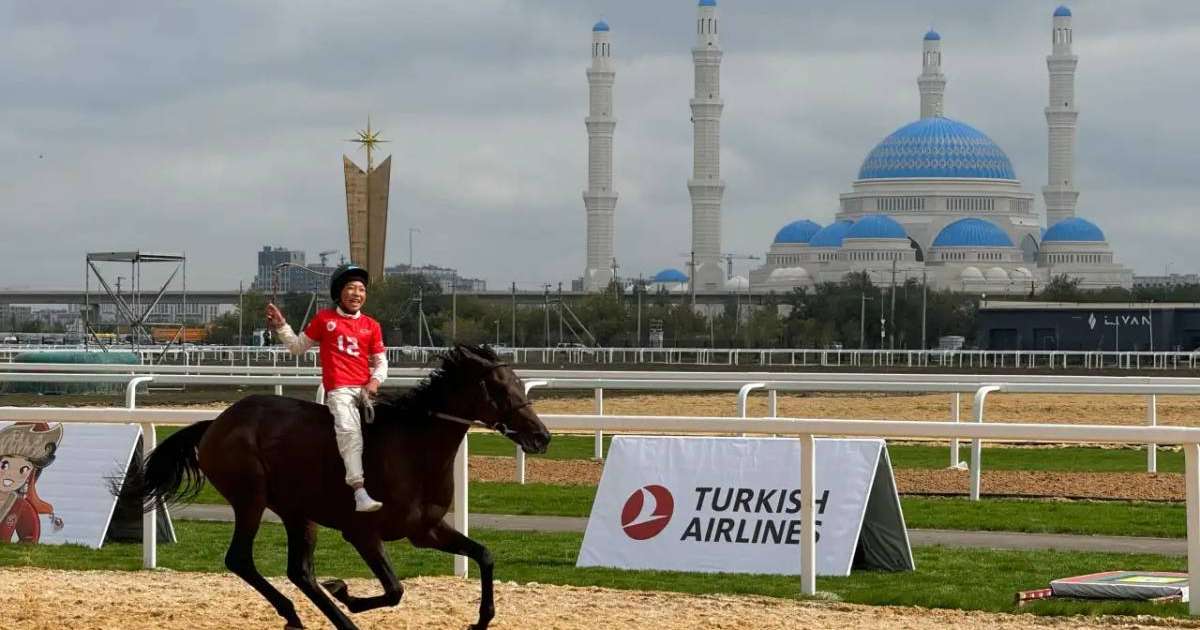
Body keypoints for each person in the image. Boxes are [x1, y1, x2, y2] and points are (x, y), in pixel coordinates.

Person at [265, 265, 388, 512]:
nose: (356, 294)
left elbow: (380, 360)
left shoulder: (371, 325)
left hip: (365, 389)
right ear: (339, 293)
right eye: (351, 288)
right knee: (349, 431)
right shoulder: (324, 319)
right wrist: (281, 326)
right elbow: (297, 347)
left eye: (361, 289)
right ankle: (359, 490)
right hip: (340, 390)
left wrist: (375, 381)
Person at [0, 422, 65, 543]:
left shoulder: (19, 505)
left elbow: (29, 537)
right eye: (5, 465)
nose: (11, 475)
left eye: (23, 470)